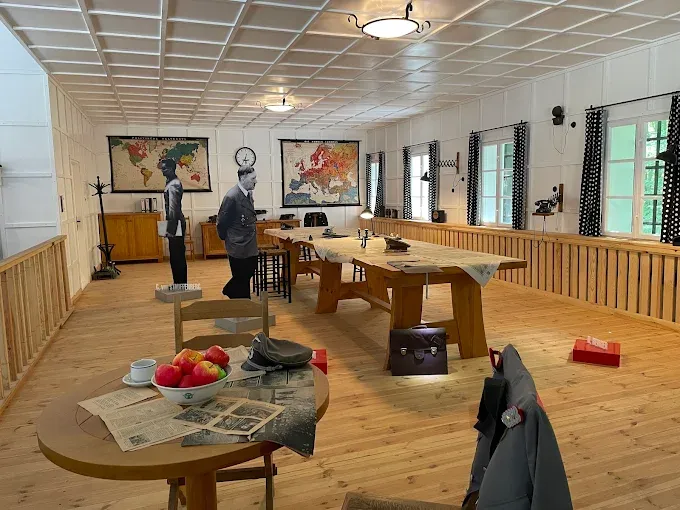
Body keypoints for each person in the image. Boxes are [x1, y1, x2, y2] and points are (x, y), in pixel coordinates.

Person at [217, 165, 258, 298]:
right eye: (253, 178)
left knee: (249, 271)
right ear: (243, 177)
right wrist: (228, 239)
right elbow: (221, 222)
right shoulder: (232, 196)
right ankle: (242, 302)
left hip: (249, 242)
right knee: (241, 276)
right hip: (238, 243)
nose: (256, 181)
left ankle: (230, 291)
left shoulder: (248, 193)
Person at [160, 158, 187, 284]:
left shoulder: (173, 185)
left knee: (177, 256)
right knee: (176, 255)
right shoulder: (171, 182)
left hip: (175, 223)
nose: (162, 171)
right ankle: (178, 283)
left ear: (171, 169)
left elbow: (173, 209)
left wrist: (170, 229)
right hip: (175, 222)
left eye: (164, 169)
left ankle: (180, 284)